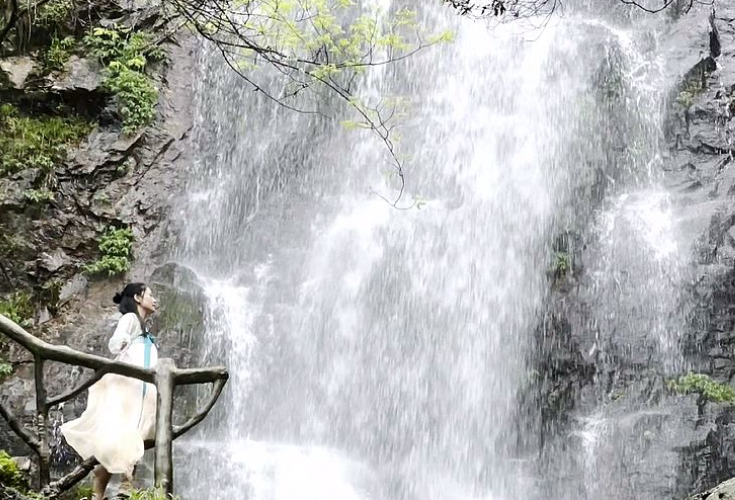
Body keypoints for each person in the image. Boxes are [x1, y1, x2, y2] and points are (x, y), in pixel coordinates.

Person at [61, 283, 159, 500]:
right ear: (137, 297)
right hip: (130, 385)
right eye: (150, 295)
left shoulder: (141, 325)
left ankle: (99, 495)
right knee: (129, 431)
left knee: (122, 437)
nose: (155, 299)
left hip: (139, 386)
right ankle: (126, 485)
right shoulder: (130, 319)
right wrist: (123, 342)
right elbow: (115, 343)